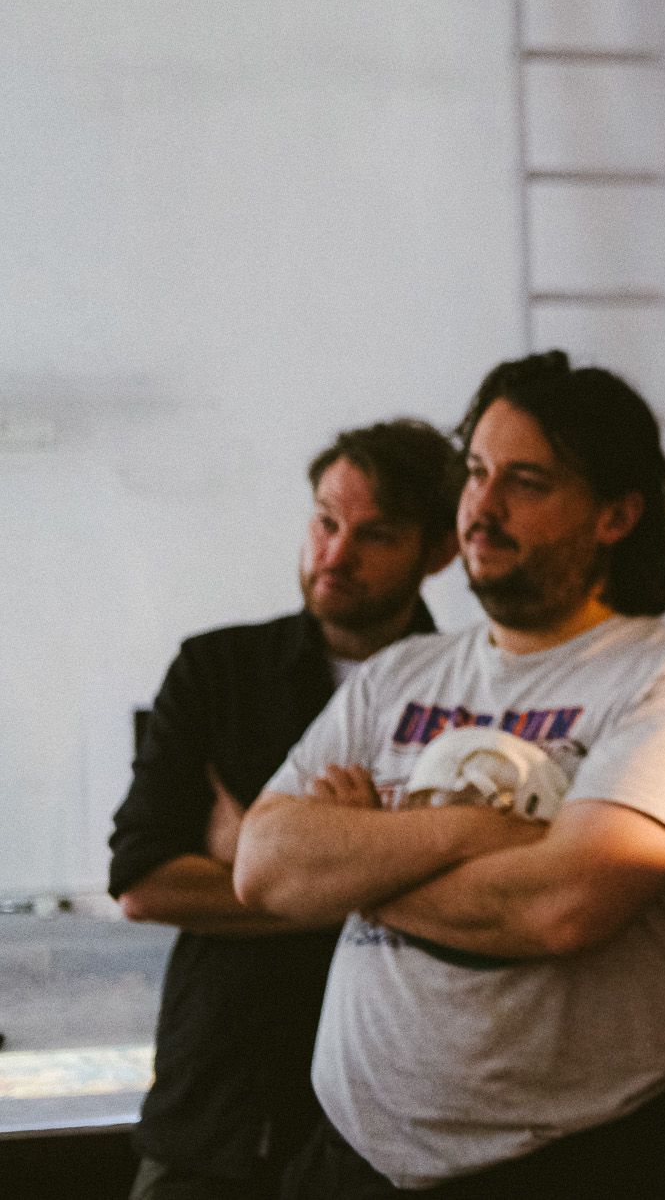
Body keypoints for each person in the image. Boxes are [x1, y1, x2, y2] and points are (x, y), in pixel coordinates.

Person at [233, 352, 665, 1200]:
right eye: (476, 472)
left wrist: (353, 865)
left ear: (615, 515)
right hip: (352, 1162)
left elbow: (557, 905)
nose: (483, 505)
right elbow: (262, 865)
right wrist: (469, 831)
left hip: (579, 1165)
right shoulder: (397, 675)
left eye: (527, 481)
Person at [109, 419, 460, 1200]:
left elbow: (501, 896)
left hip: (396, 1125)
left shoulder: (471, 697)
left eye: (376, 535)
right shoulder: (217, 671)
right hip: (217, 1114)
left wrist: (264, 857)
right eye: (326, 522)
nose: (336, 554)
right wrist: (383, 881)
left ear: (439, 551)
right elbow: (144, 883)